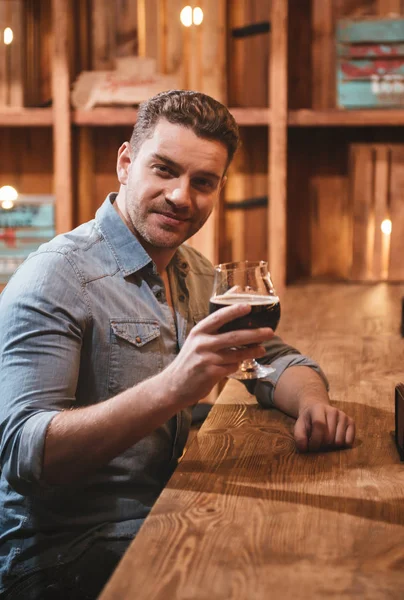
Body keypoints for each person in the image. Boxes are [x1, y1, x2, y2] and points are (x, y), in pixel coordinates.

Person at [0, 90, 355, 599]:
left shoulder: (195, 272)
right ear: (126, 163)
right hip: (62, 554)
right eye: (164, 170)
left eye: (202, 182)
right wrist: (172, 389)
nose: (182, 197)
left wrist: (314, 405)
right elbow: (26, 455)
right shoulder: (56, 277)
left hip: (164, 516)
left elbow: (276, 359)